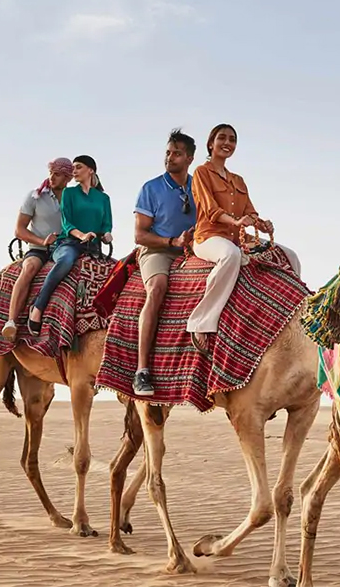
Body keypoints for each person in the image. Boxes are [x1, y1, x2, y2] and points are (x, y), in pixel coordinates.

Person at [186, 123, 301, 355]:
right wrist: (235, 222)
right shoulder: (201, 172)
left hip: (238, 236)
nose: (227, 143)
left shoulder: (238, 180)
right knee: (230, 255)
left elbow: (250, 211)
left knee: (290, 255)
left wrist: (260, 223)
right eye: (222, 138)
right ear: (211, 143)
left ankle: (293, 314)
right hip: (209, 237)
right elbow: (210, 210)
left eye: (232, 139)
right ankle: (201, 323)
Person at [129, 128, 198, 396]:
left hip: (194, 250)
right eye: (168, 153)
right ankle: (142, 370)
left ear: (189, 159)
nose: (170, 158)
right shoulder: (151, 188)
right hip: (158, 249)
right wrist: (172, 243)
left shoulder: (198, 187)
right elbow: (140, 235)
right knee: (157, 288)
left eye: (177, 154)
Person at [28, 154, 113, 334]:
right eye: (73, 167)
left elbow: (107, 225)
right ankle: (37, 308)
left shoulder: (103, 198)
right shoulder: (70, 193)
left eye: (79, 167)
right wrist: (82, 235)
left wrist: (106, 235)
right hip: (69, 243)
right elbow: (67, 223)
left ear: (91, 170)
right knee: (66, 261)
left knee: (116, 269)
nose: (74, 171)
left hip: (94, 247)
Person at [2, 157, 73, 341]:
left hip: (65, 246)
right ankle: (11, 321)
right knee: (30, 268)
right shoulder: (35, 196)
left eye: (57, 175)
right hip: (39, 248)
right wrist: (42, 242)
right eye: (51, 173)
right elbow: (19, 230)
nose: (52, 178)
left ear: (68, 178)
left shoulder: (73, 198)